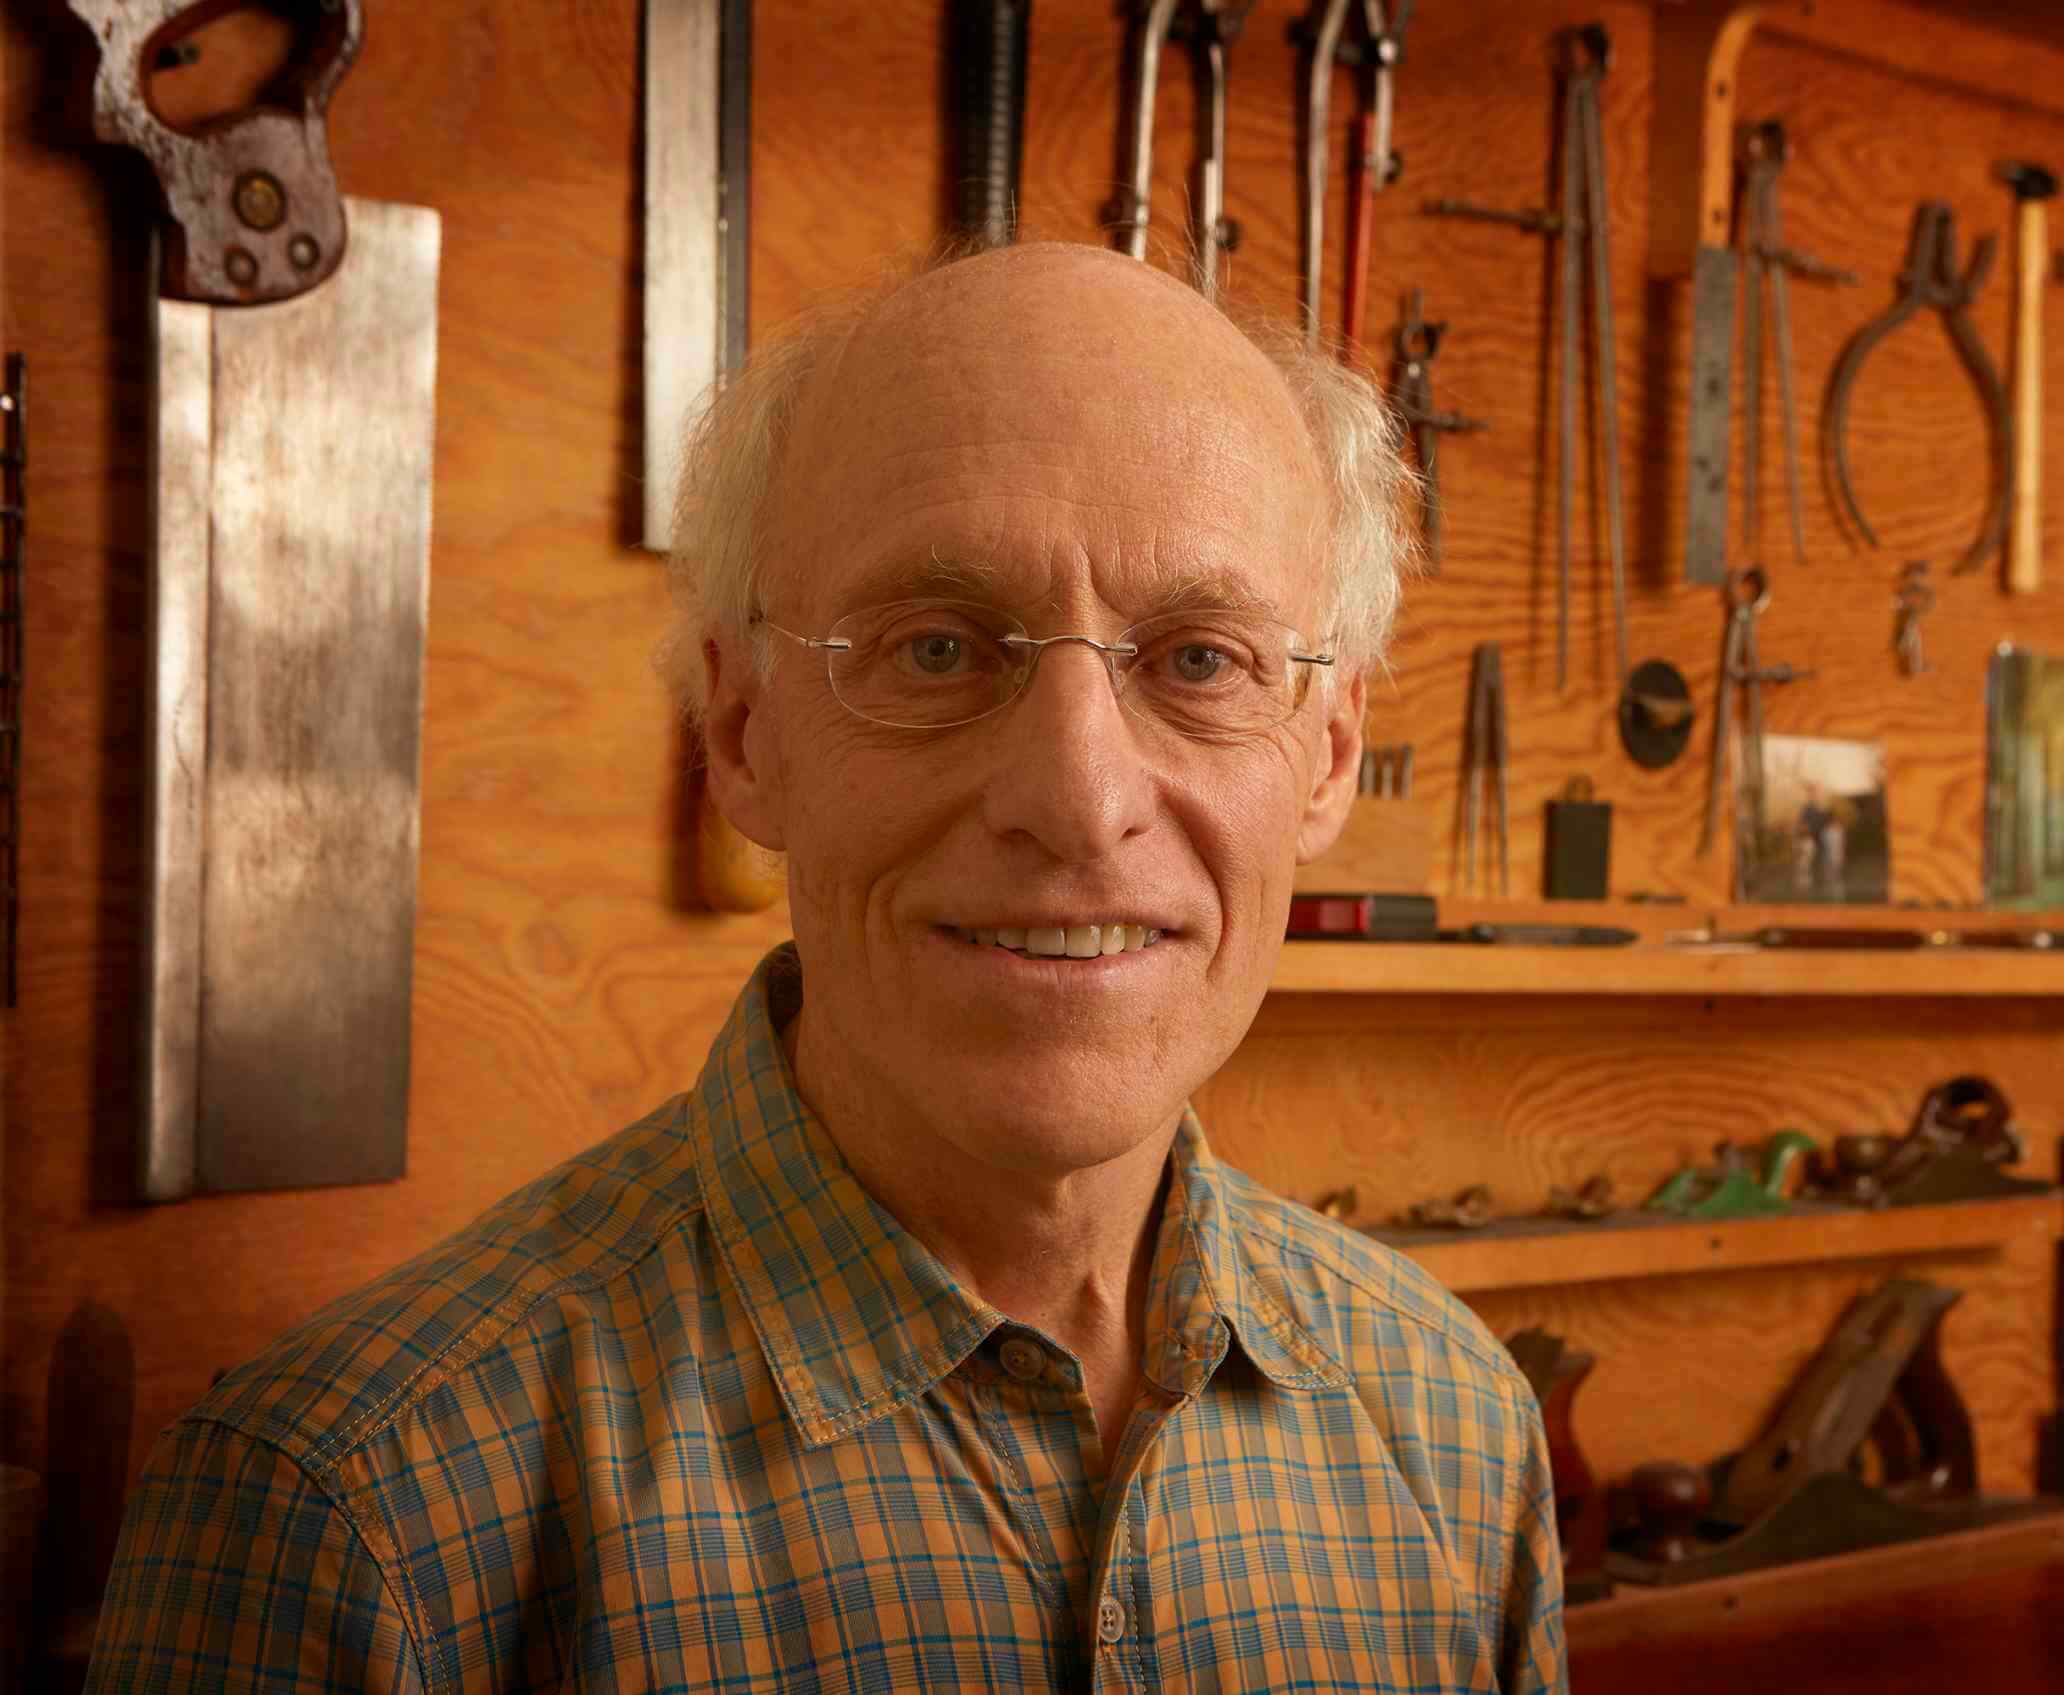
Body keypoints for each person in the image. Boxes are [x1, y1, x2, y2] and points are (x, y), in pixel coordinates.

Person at [83, 242, 1565, 1693]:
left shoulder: (1457, 1430)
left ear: (1329, 755)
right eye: (935, 650)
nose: (1076, 794)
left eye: (1197, 661)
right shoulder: (347, 1524)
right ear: (742, 737)